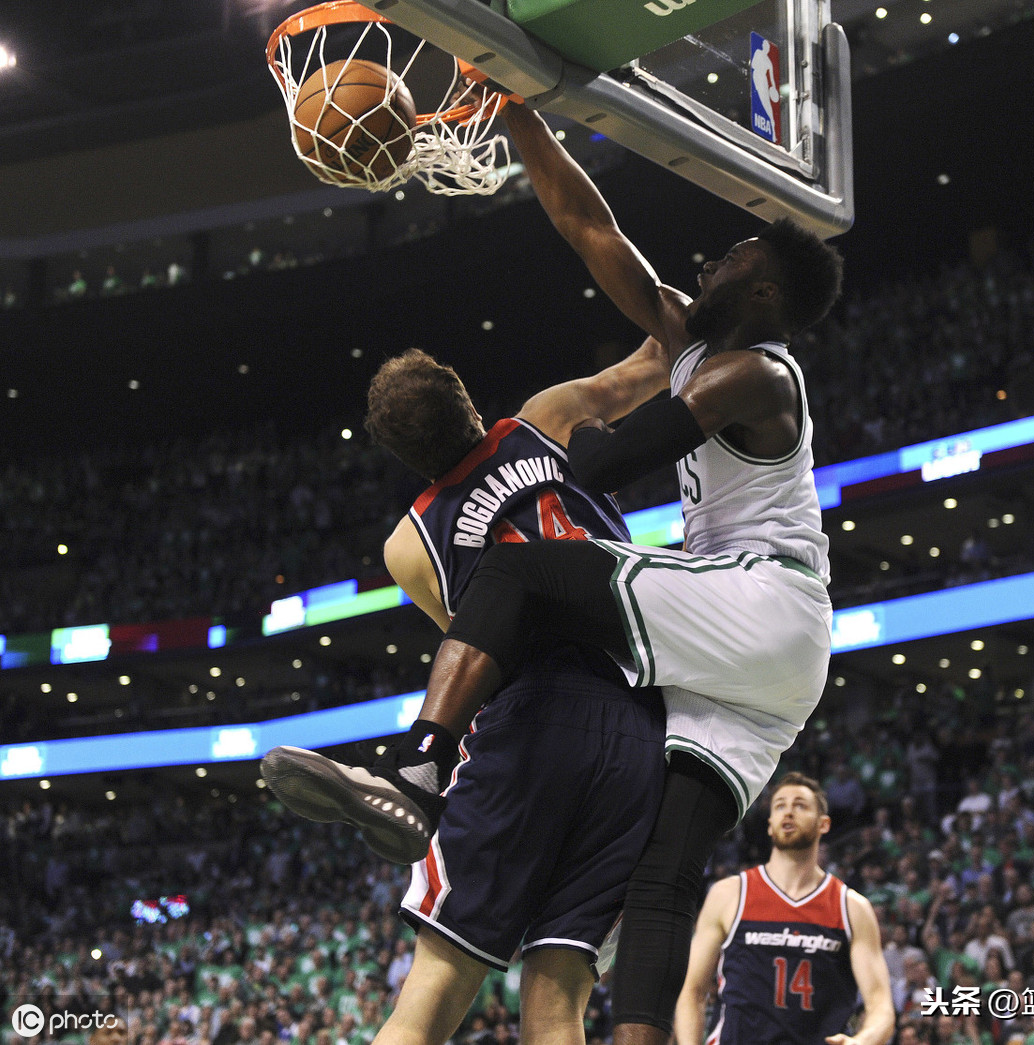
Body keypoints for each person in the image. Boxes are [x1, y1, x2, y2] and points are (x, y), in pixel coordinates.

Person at [267, 98, 842, 1045]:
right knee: (654, 886)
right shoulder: (669, 356)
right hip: (715, 677)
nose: (706, 262)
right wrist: (514, 106)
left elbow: (611, 463)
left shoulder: (760, 372)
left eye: (730, 256)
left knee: (530, 569)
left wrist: (518, 468)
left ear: (767, 291)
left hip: (755, 598)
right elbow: (589, 226)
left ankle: (417, 771)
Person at [265, 341, 672, 1045]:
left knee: (432, 992)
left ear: (405, 458)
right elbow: (656, 363)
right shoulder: (545, 417)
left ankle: (414, 771)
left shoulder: (408, 544)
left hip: (534, 720)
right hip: (642, 713)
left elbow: (477, 643)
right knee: (557, 997)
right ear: (470, 400)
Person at [674, 774, 894, 1045]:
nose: (788, 811)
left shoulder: (851, 907)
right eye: (779, 805)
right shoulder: (730, 894)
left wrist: (863, 1041)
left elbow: (881, 1005)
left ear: (823, 824)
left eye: (800, 805)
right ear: (770, 825)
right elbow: (692, 991)